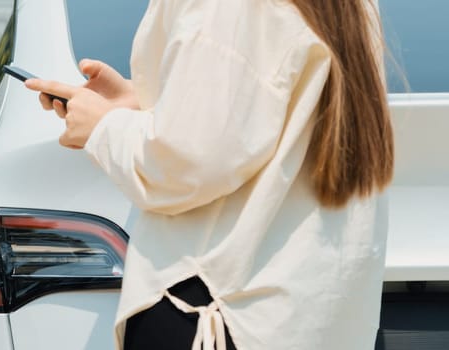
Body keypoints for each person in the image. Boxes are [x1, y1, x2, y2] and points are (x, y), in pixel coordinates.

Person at [26, 0, 392, 349]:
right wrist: (145, 102)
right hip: (303, 314)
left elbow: (186, 164)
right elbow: (273, 103)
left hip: (215, 312)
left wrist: (104, 127)